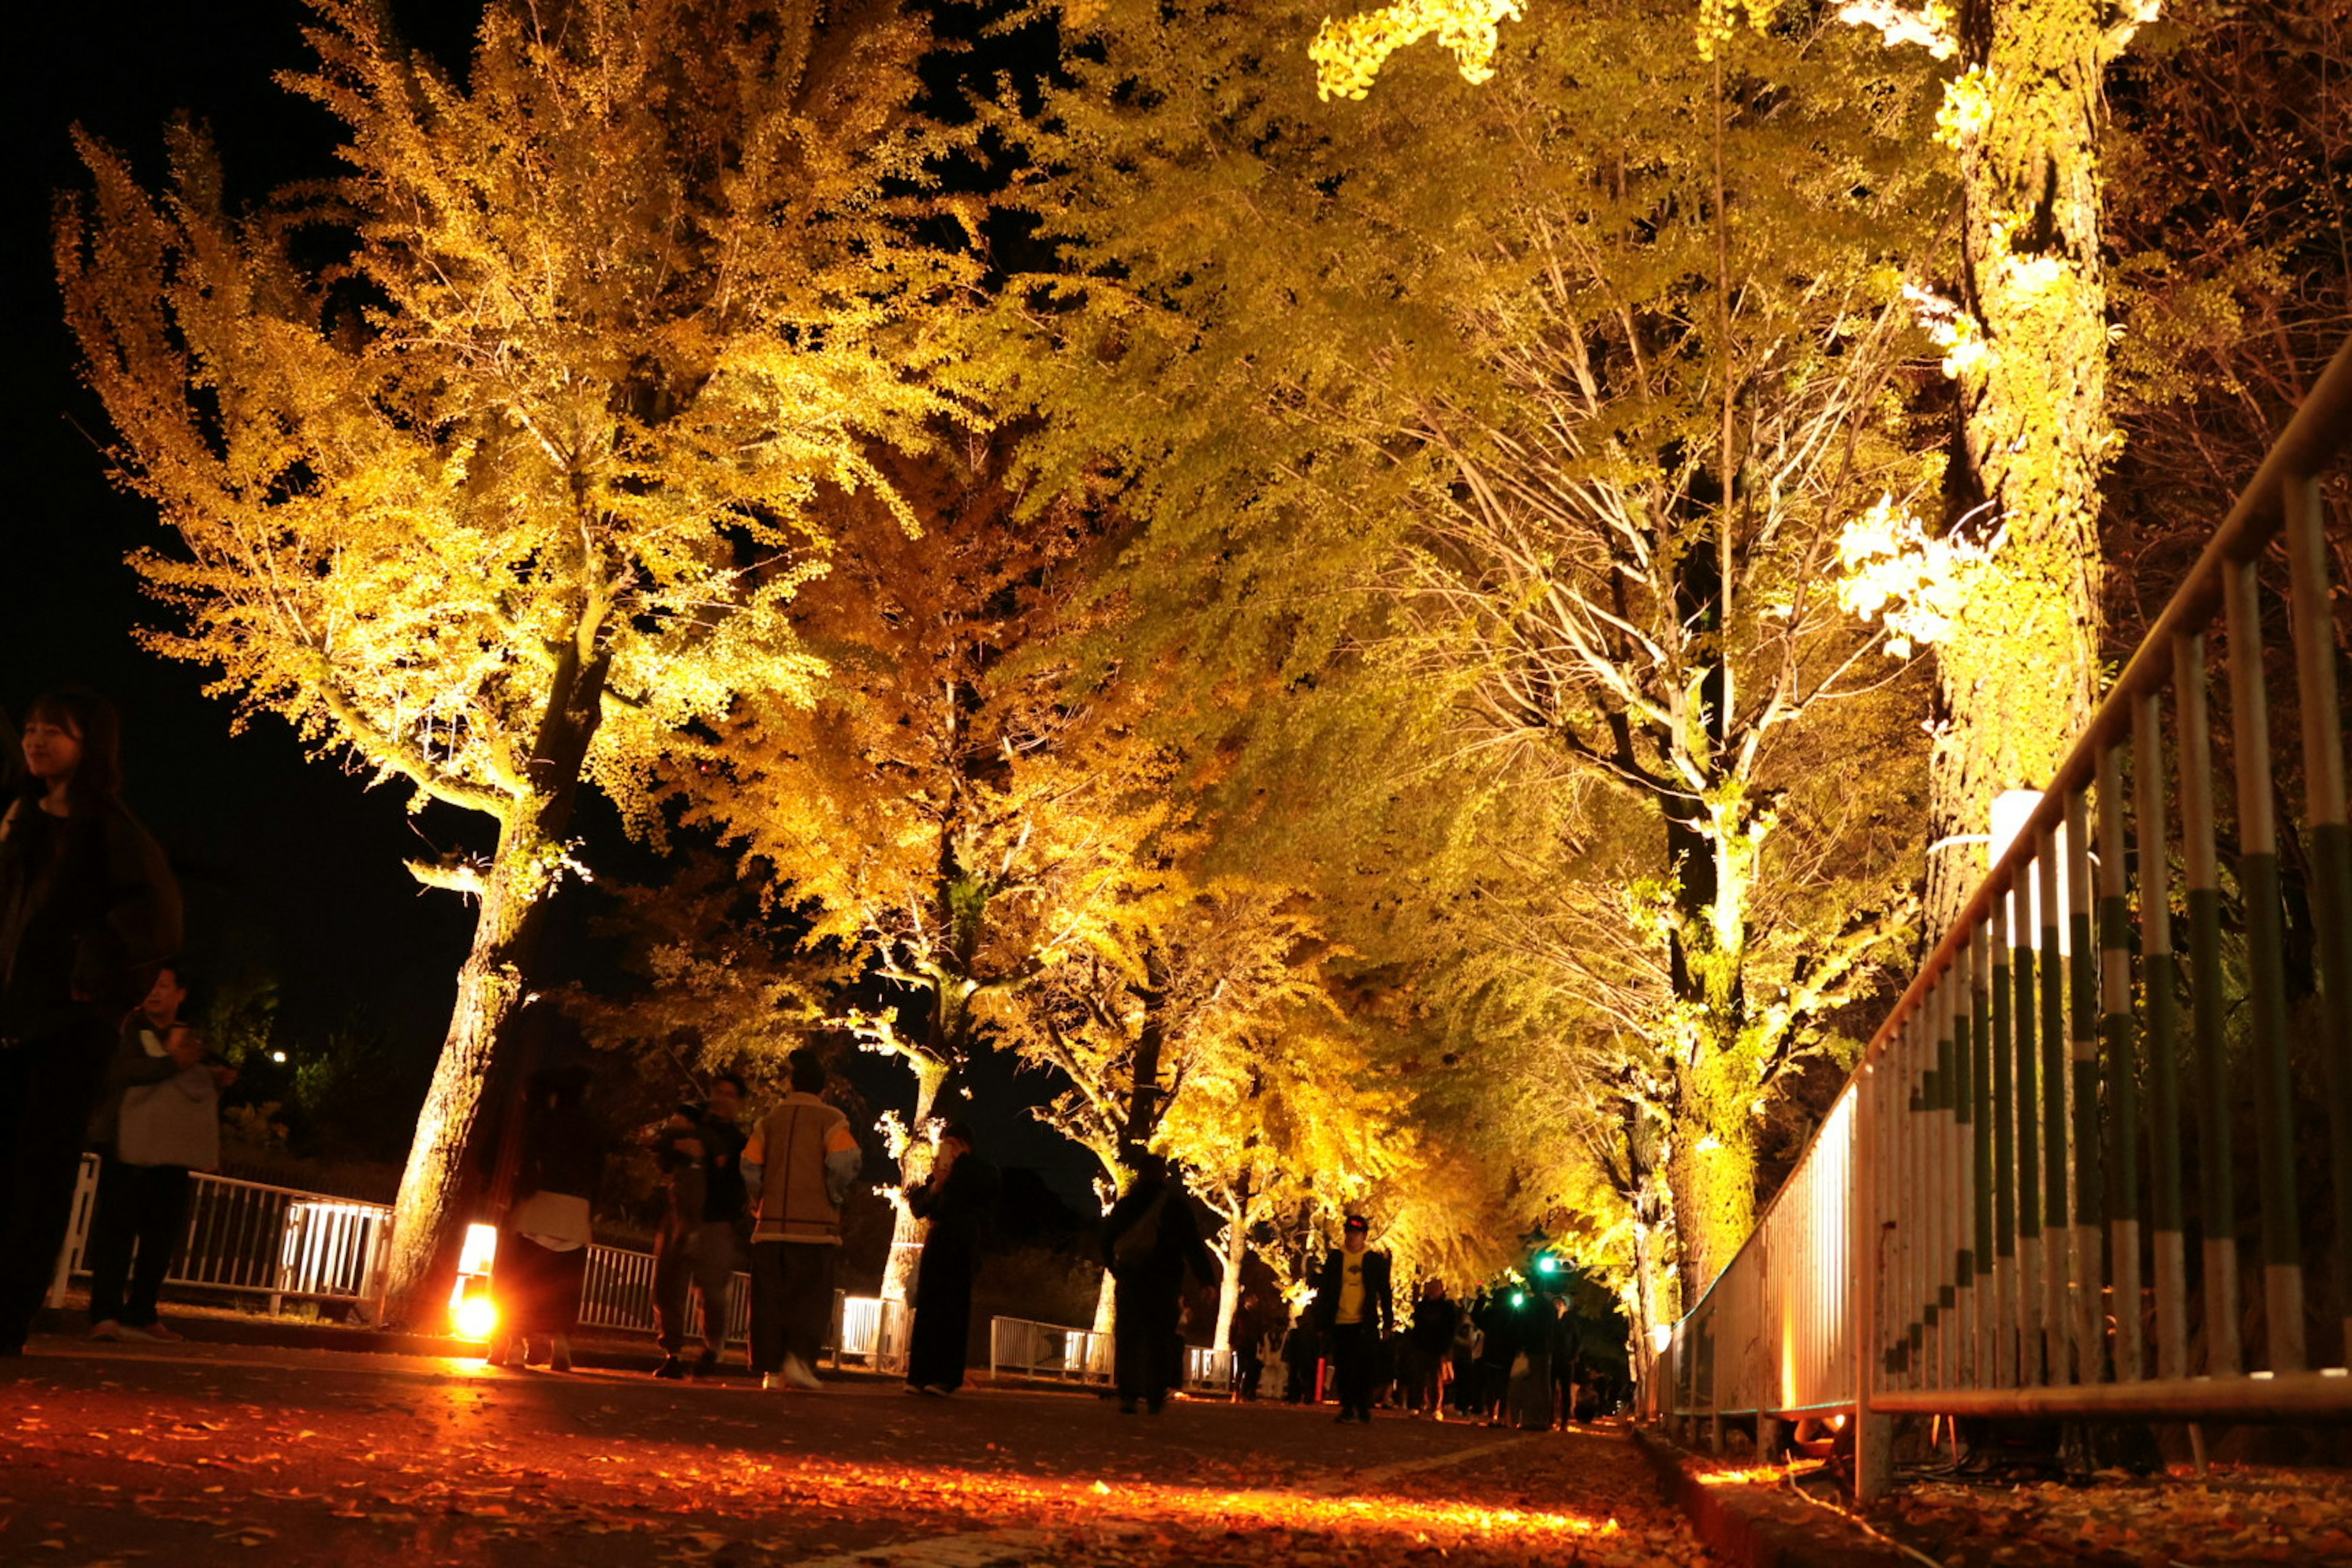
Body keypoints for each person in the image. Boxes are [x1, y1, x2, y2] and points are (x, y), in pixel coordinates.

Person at [0, 688, 181, 1356]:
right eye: (31, 727)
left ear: (89, 744)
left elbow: (154, 925)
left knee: (39, 1172)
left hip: (66, 1029)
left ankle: (8, 1316)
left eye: (55, 730)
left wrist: (95, 991)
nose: (36, 739)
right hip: (10, 1015)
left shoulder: (113, 830)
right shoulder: (18, 818)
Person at [85, 965, 232, 1341]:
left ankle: (142, 1313)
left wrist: (212, 1077)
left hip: (171, 1148)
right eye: (151, 985)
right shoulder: (129, 1028)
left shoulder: (190, 1037)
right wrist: (171, 1062)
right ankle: (105, 1315)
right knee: (116, 1231)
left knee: (161, 1237)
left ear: (181, 993)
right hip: (126, 1143)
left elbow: (190, 1088)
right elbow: (118, 1073)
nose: (155, 992)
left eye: (164, 986)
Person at [742, 1049, 860, 1392]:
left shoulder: (769, 1121)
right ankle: (799, 1360)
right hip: (815, 1229)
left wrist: (759, 1197)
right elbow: (845, 1161)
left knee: (769, 1300)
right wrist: (833, 1194)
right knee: (808, 1299)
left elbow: (749, 1166)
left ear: (791, 1084)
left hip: (770, 1228)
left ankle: (769, 1368)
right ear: (821, 1088)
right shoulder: (832, 1120)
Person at [488, 1065, 603, 1371]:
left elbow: (528, 1161)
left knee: (522, 1280)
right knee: (563, 1283)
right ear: (584, 1093)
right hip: (577, 1210)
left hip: (540, 1205)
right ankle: (561, 1342)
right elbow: (599, 1172)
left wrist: (516, 1194)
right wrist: (593, 1209)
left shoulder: (543, 1121)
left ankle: (515, 1344)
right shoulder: (593, 1127)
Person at [1099, 1153, 1218, 1415]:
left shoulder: (1126, 1205)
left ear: (1139, 1174)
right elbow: (1193, 1245)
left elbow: (1106, 1239)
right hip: (1165, 1280)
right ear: (1163, 1174)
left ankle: (1128, 1393)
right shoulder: (1175, 1207)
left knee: (1130, 1335)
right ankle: (1155, 1395)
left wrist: (1115, 1269)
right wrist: (1206, 1280)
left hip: (1131, 1278)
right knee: (1160, 1337)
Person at [650, 1071, 748, 1380]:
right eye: (717, 1092)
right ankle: (673, 1353)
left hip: (716, 1222)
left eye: (729, 1094)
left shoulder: (740, 1143)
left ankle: (713, 1348)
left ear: (741, 1103)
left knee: (713, 1292)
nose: (720, 1099)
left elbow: (738, 1186)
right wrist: (677, 1146)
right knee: (667, 1286)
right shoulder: (691, 1123)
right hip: (679, 1216)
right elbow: (664, 1159)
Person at [903, 1121, 998, 1396]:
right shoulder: (939, 1175)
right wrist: (937, 1185)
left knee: (953, 1309)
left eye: (954, 1144)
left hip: (963, 1242)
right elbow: (919, 1207)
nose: (949, 1150)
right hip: (937, 1241)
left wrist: (962, 1164)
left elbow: (985, 1190)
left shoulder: (981, 1170)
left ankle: (946, 1377)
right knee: (928, 1309)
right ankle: (920, 1375)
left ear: (967, 1147)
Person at [1310, 1214, 1395, 1424]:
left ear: (1364, 1236)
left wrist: (1388, 1323)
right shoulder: (1337, 1258)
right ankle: (1348, 1407)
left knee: (1366, 1367)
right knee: (1344, 1367)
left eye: (1356, 1233)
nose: (1351, 1237)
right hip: (1341, 1322)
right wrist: (1322, 1322)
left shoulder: (1374, 1260)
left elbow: (1385, 1292)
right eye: (1349, 1232)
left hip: (1365, 1323)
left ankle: (1363, 1406)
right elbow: (1326, 1291)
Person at [1404, 1276, 1459, 1418]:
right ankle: (1415, 1406)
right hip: (1422, 1346)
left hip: (1438, 1348)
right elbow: (1417, 1327)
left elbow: (1451, 1329)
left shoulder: (1447, 1308)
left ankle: (1436, 1408)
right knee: (1418, 1378)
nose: (1432, 1291)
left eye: (1435, 1288)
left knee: (1436, 1380)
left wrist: (1446, 1348)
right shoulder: (1422, 1306)